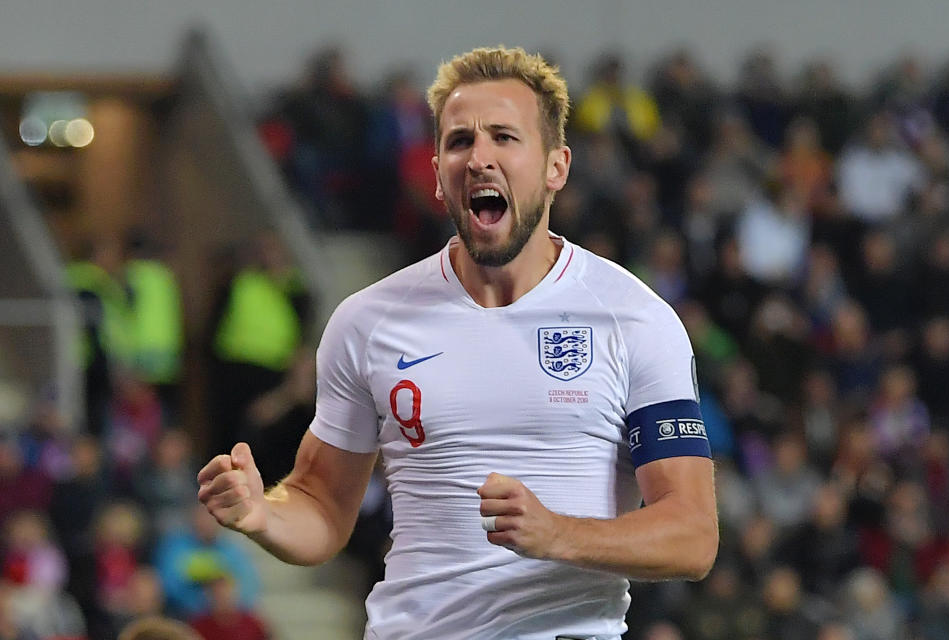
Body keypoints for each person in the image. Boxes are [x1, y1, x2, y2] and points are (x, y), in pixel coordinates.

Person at [198, 45, 718, 639]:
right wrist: (263, 513)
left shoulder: (633, 319)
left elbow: (692, 534)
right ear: (439, 178)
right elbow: (320, 505)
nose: (479, 158)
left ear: (557, 167)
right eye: (460, 141)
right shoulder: (367, 321)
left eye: (504, 136)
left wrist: (557, 534)